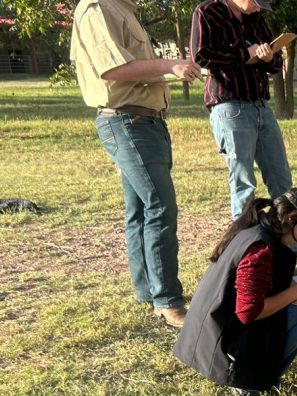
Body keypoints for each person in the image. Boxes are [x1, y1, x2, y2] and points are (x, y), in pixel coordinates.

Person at [70, 0, 200, 328]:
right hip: (126, 122)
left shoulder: (124, 9)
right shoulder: (98, 8)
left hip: (145, 122)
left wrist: (170, 69)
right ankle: (168, 300)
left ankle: (150, 292)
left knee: (141, 210)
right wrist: (170, 65)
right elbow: (112, 69)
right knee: (160, 206)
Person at [174, 189, 297, 396]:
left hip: (213, 336)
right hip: (224, 350)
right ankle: (250, 384)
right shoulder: (259, 250)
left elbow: (259, 279)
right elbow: (249, 312)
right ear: (291, 218)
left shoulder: (256, 227)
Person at [191, 0, 293, 220]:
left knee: (281, 176)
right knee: (243, 181)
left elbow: (276, 64)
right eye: (256, 3)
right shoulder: (207, 12)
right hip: (229, 105)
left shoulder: (255, 17)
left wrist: (269, 58)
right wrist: (245, 53)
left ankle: (287, 231)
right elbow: (201, 56)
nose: (258, 8)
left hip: (261, 105)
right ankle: (245, 236)